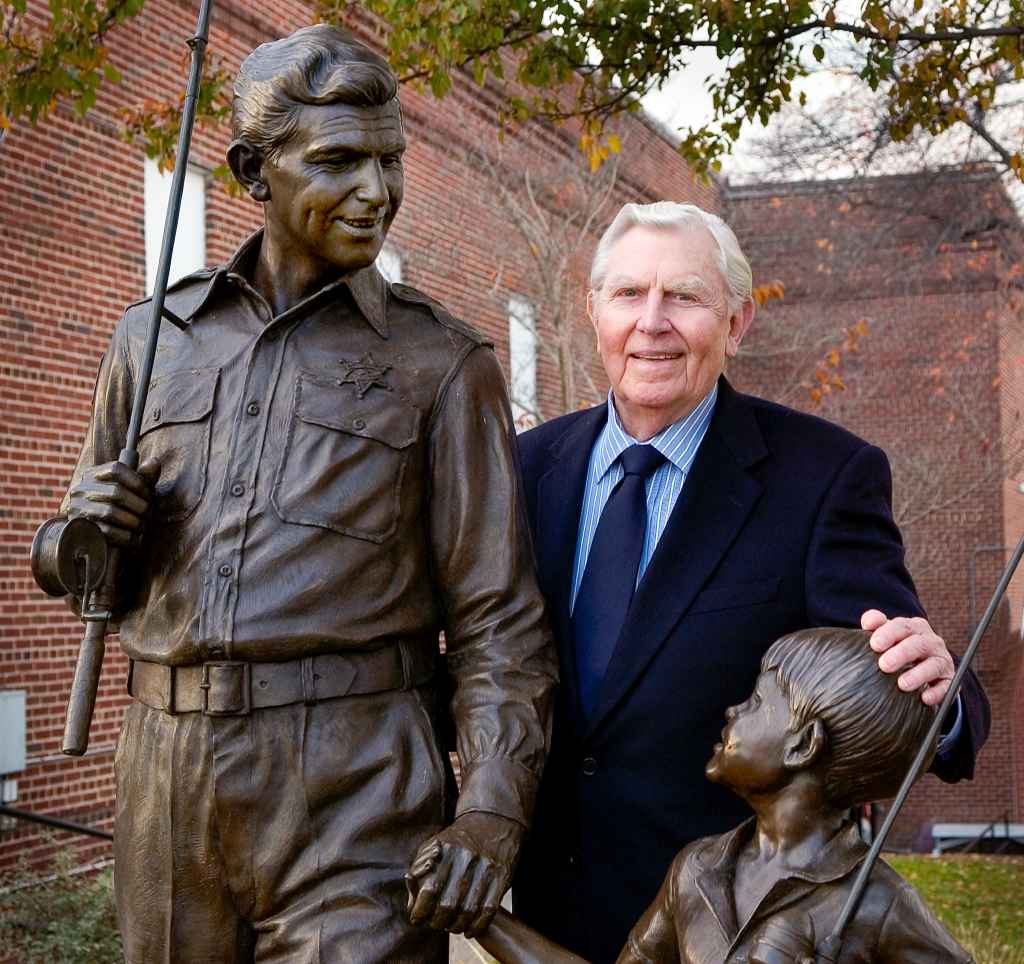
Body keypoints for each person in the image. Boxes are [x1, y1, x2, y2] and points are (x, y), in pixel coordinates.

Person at [40, 25, 556, 963]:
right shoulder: (152, 339)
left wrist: (489, 809)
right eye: (338, 161)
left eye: (389, 161)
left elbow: (499, 624)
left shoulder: (442, 364)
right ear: (251, 168)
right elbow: (78, 564)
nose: (376, 192)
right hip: (166, 776)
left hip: (356, 786)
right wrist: (78, 536)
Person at [509, 202, 989, 962]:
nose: (653, 322)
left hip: (726, 927)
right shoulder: (518, 469)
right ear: (593, 312)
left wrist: (943, 697)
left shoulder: (825, 478)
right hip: (540, 913)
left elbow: (895, 674)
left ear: (737, 323)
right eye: (630, 294)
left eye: (686, 297)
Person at [460, 628, 973, 963]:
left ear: (804, 743)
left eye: (756, 700)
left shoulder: (877, 903)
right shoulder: (697, 871)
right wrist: (482, 918)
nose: (731, 710)